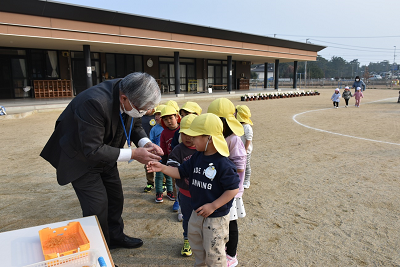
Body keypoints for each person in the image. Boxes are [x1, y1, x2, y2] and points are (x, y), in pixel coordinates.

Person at [40, 72, 163, 249]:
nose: (143, 113)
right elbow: (92, 150)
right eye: (141, 109)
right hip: (80, 158)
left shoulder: (131, 93)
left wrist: (147, 143)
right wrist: (134, 154)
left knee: (115, 198)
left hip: (107, 154)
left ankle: (115, 237)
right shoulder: (94, 102)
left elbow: (135, 124)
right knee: (97, 206)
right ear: (123, 98)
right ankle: (101, 250)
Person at [146, 113, 240, 267]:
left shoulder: (223, 163)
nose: (191, 140)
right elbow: (180, 172)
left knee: (214, 253)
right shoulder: (197, 157)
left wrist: (213, 205)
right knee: (197, 245)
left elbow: (233, 189)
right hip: (197, 213)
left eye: (195, 136)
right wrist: (162, 167)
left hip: (215, 217)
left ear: (209, 138)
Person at [208, 98, 246, 267]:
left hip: (230, 190)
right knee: (220, 221)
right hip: (218, 189)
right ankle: (222, 246)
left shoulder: (233, 139)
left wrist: (221, 168)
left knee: (230, 222)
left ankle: (231, 254)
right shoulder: (215, 136)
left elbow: (240, 165)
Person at [166, 114, 197, 257]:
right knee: (187, 217)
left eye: (192, 134)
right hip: (185, 193)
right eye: (184, 133)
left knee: (203, 219)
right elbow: (171, 165)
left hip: (202, 193)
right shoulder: (178, 149)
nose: (188, 137)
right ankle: (187, 239)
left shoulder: (203, 148)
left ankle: (201, 240)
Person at [157, 105, 180, 203]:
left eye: (171, 118)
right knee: (174, 181)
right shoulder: (164, 133)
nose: (169, 121)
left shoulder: (182, 129)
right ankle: (176, 201)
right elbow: (163, 147)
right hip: (172, 161)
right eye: (166, 119)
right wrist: (165, 159)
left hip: (183, 159)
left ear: (176, 117)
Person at [147, 105, 166, 194]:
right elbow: (151, 141)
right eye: (156, 115)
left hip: (166, 154)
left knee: (165, 169)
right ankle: (150, 183)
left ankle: (164, 183)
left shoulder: (167, 128)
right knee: (150, 167)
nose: (157, 117)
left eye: (159, 114)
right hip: (156, 154)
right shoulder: (154, 129)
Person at [236, 105, 253, 189]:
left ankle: (247, 180)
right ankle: (240, 179)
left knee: (246, 165)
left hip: (246, 151)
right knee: (239, 166)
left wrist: (245, 150)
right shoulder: (238, 124)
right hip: (239, 150)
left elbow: (248, 139)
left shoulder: (247, 127)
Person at [141, 108, 157, 192]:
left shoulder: (156, 116)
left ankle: (163, 182)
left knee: (160, 163)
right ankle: (150, 182)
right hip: (146, 146)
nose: (146, 109)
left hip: (157, 146)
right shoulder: (140, 117)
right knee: (148, 164)